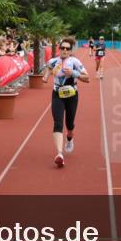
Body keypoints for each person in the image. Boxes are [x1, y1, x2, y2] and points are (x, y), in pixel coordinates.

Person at [42, 37, 89, 168]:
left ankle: (70, 138)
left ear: (70, 50)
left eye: (67, 49)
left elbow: (87, 78)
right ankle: (59, 154)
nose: (64, 50)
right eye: (62, 48)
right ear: (59, 49)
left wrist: (74, 73)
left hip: (72, 96)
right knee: (57, 123)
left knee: (69, 124)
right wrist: (46, 76)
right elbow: (49, 67)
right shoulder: (54, 61)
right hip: (57, 95)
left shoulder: (75, 62)